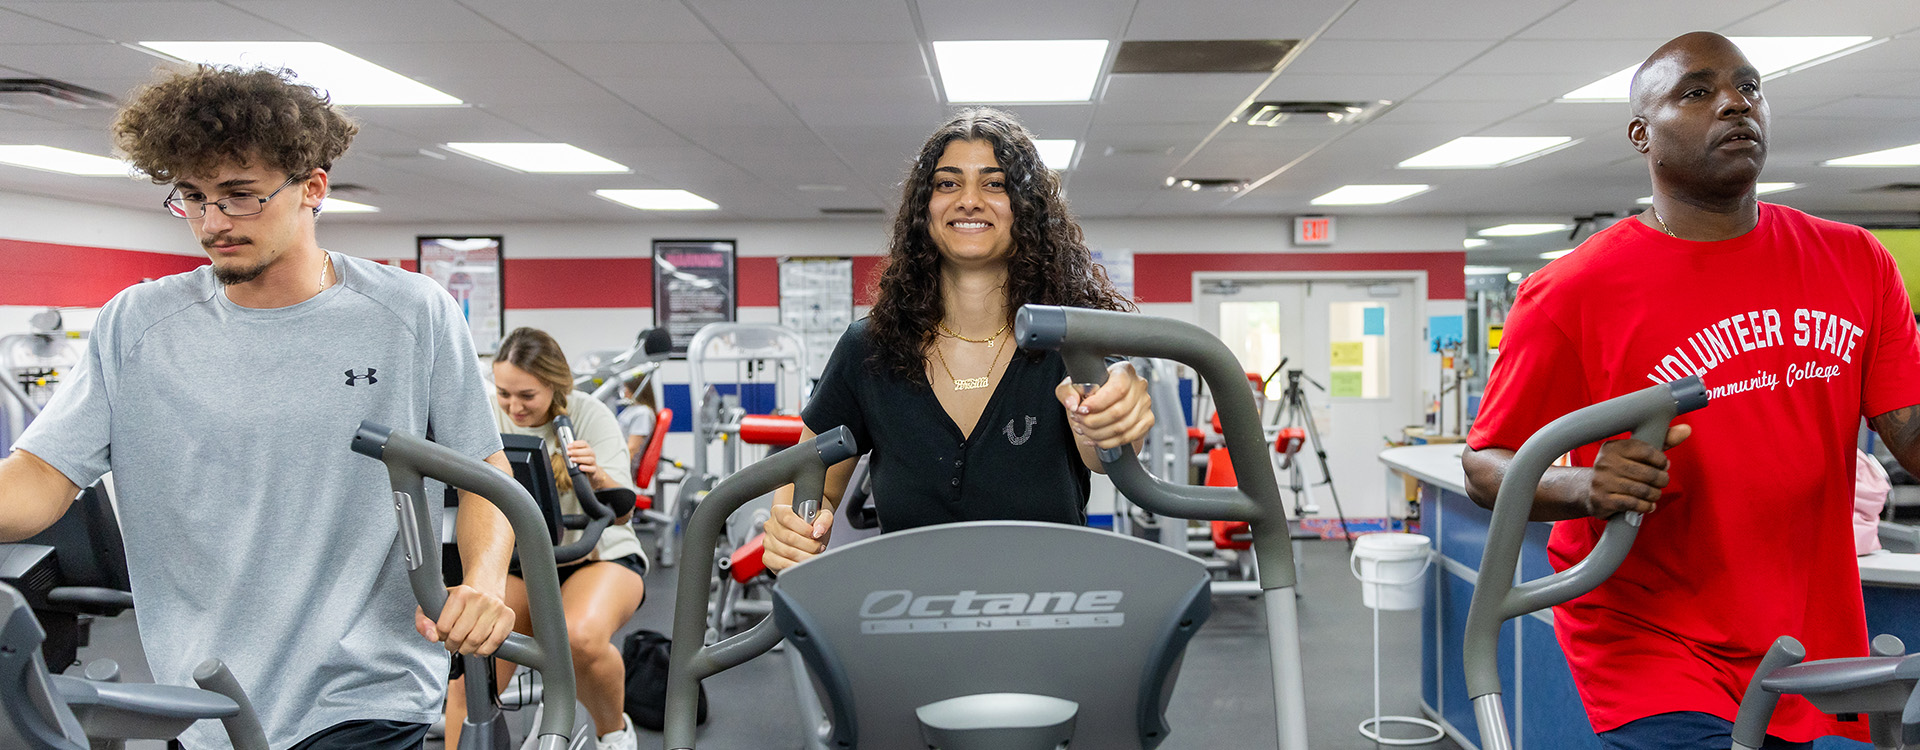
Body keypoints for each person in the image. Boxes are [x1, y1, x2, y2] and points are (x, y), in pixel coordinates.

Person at [0, 65, 516, 749]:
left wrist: (483, 581)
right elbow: (41, 477)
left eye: (240, 196)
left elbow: (487, 474)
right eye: (193, 198)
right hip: (205, 699)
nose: (214, 222)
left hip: (366, 692)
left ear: (312, 188)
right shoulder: (137, 324)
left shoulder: (410, 313)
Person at [1463, 32, 1920, 750]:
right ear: (1642, 135)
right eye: (1698, 92)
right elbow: (1487, 463)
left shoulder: (1856, 262)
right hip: (1648, 634)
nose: (1736, 103)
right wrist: (1584, 488)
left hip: (1808, 628)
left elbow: (1911, 436)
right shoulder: (1573, 291)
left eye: (1750, 87)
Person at [761, 107, 1154, 570]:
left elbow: (1105, 453)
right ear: (924, 209)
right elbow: (812, 480)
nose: (969, 200)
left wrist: (1114, 419)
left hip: (1049, 609)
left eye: (995, 183)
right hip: (913, 613)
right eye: (948, 183)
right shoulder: (870, 347)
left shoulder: (1074, 337)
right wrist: (792, 526)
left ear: (1027, 208)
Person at [443, 327, 646, 750]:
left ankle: (615, 734)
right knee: (475, 657)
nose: (514, 407)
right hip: (522, 561)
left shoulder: (589, 414)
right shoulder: (485, 416)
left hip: (596, 555)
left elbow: (623, 512)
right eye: (504, 394)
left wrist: (596, 476)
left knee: (577, 639)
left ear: (554, 385)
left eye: (527, 396)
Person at [618, 375, 659, 471]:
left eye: (627, 387)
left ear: (636, 388)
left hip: (623, 469)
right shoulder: (632, 409)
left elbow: (632, 449)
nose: (624, 391)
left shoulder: (643, 413)